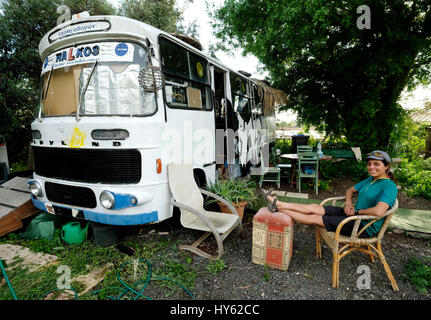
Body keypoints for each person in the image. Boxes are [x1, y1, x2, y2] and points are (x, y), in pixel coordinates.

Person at [264, 150, 398, 238]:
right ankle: (279, 203)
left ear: (386, 166)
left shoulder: (389, 186)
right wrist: (349, 204)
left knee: (315, 218)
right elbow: (350, 190)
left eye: (376, 164)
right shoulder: (371, 180)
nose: (371, 167)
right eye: (369, 164)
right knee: (314, 207)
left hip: (363, 226)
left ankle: (278, 208)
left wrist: (356, 212)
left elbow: (379, 211)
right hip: (353, 214)